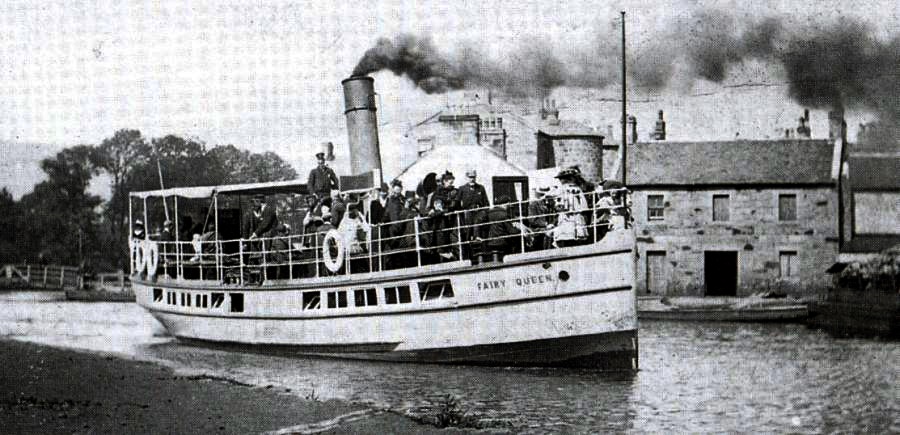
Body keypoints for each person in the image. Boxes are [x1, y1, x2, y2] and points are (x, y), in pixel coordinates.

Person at [426, 171, 460, 260]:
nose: (451, 181)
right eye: (448, 180)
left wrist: (445, 209)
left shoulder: (455, 191)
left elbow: (454, 204)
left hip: (454, 221)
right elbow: (436, 205)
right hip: (441, 223)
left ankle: (457, 259)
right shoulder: (437, 193)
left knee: (456, 242)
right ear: (444, 181)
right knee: (441, 243)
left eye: (452, 179)